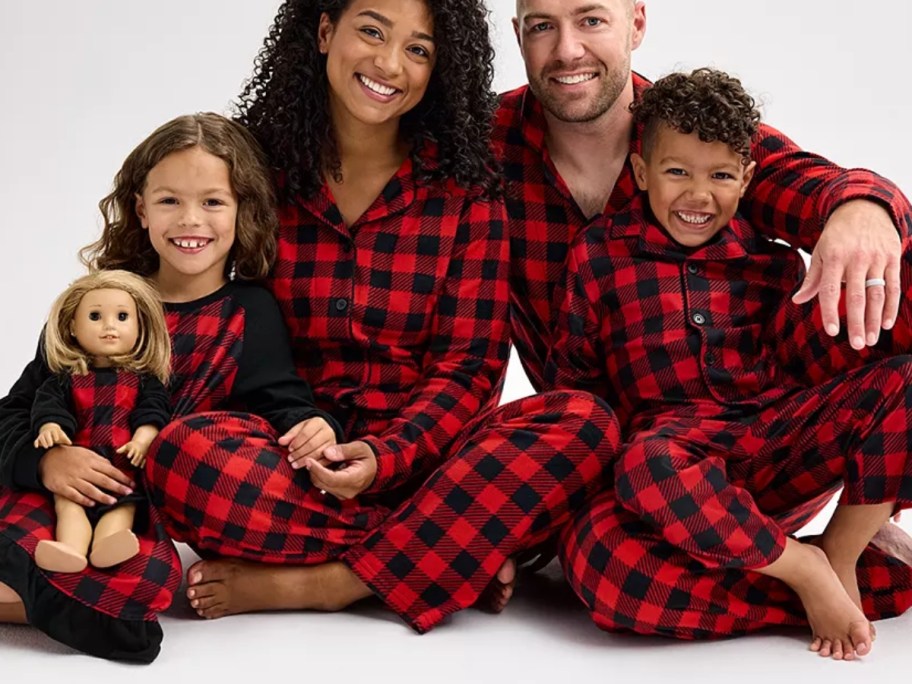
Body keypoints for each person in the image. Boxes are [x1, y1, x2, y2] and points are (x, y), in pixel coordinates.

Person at [146, 0, 617, 630]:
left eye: (419, 49)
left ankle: (334, 583)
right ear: (322, 31)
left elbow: (470, 367)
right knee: (181, 456)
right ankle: (446, 556)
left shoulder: (468, 191)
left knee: (584, 421)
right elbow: (183, 293)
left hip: (434, 462)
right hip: (295, 464)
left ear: (440, 69)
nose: (390, 64)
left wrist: (386, 454)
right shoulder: (257, 170)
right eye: (371, 30)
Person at [493, 0, 912, 633]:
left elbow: (811, 184)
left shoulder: (694, 124)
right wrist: (504, 518)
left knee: (900, 270)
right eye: (543, 25)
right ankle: (808, 575)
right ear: (518, 33)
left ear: (636, 22)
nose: (568, 49)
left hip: (781, 437)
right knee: (600, 561)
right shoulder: (483, 150)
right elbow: (539, 367)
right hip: (655, 477)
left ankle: (844, 547)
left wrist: (864, 209)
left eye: (591, 19)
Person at [0, 112, 341, 661]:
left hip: (135, 509)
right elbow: (17, 409)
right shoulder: (99, 302)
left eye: (212, 202)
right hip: (54, 494)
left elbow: (280, 403)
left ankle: (58, 596)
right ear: (139, 209)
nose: (190, 220)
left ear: (242, 210)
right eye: (168, 201)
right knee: (30, 547)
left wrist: (316, 425)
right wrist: (45, 464)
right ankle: (53, 590)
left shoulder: (247, 312)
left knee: (140, 584)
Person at [32, 270, 171, 573]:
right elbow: (48, 407)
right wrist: (50, 427)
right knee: (69, 507)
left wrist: (144, 438)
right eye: (95, 316)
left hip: (121, 468)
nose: (109, 326)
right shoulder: (64, 380)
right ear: (72, 327)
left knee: (122, 508)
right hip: (74, 466)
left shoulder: (143, 381)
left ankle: (109, 545)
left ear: (139, 327)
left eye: (122, 317)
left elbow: (154, 409)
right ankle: (69, 550)